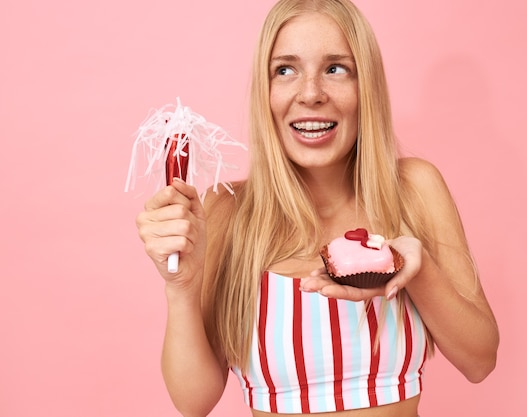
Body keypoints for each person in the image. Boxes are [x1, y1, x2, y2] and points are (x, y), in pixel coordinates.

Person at [136, 0, 499, 416]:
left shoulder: (414, 189)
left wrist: (419, 270)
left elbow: (479, 361)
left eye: (335, 68)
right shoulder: (227, 211)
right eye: (285, 70)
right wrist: (181, 287)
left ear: (367, 87)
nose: (311, 94)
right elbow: (193, 401)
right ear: (265, 91)